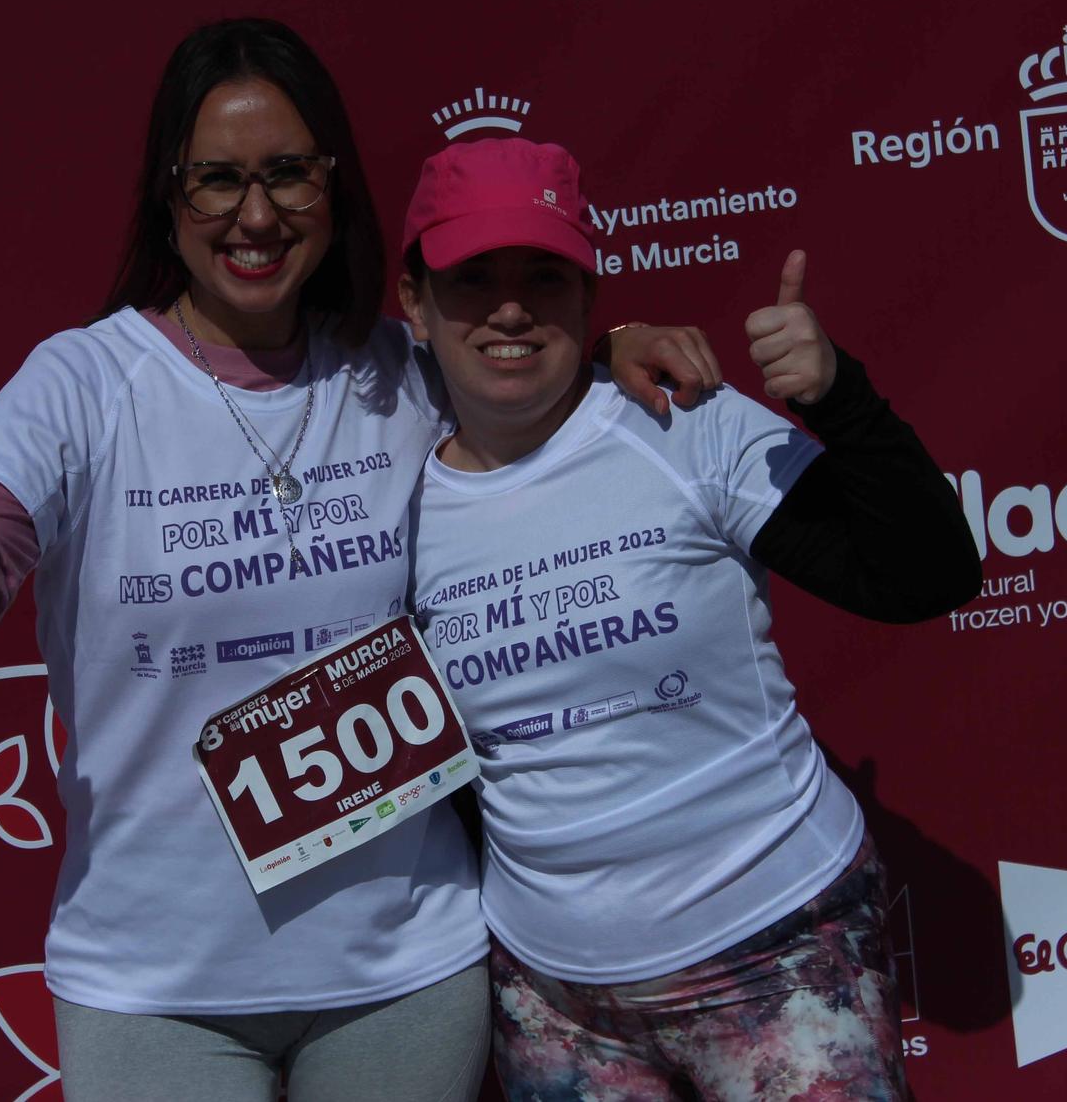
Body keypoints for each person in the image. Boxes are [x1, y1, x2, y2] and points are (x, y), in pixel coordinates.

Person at [0, 20, 718, 1102]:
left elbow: (523, 368)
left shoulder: (396, 367)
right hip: (156, 986)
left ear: (333, 186)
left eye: (287, 174)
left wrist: (607, 344)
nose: (254, 216)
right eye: (215, 180)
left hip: (400, 970)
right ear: (168, 195)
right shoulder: (82, 385)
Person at [395, 137, 981, 1102]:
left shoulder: (682, 421)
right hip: (555, 1000)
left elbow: (924, 575)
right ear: (414, 303)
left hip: (779, 951)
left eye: (543, 275)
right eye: (472, 278)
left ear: (589, 295)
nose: (509, 307)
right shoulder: (389, 489)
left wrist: (840, 395)